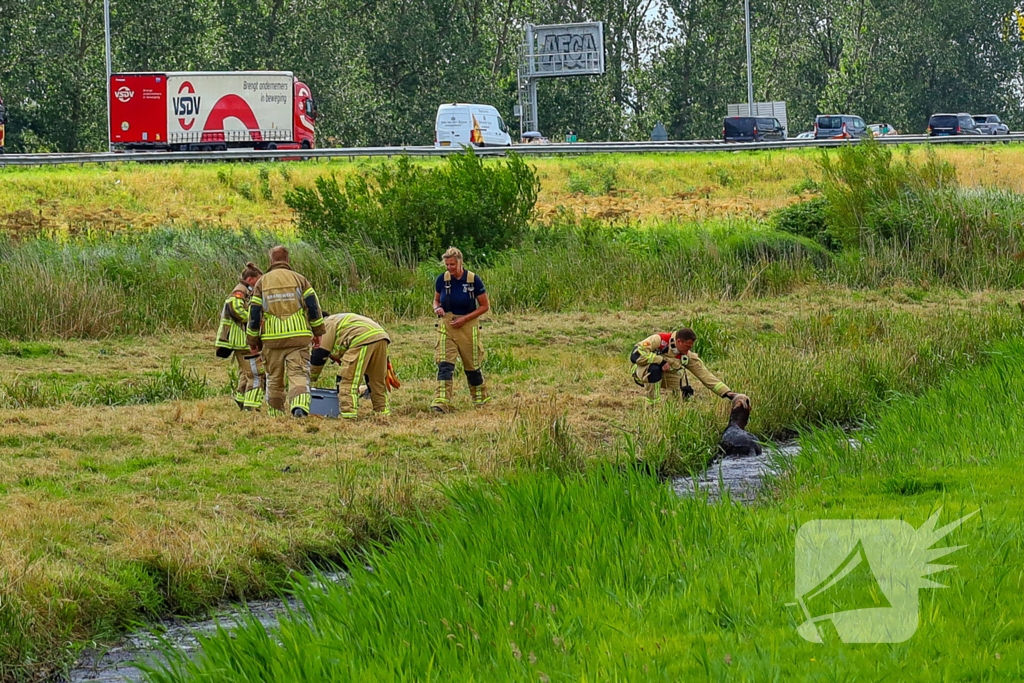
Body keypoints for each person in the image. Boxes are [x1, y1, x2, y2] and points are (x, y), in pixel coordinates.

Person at [246, 246, 325, 417]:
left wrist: (253, 341)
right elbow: (313, 307)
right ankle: (299, 407)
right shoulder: (300, 279)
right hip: (298, 336)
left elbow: (253, 314)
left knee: (274, 377)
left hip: (272, 339)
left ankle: (276, 414)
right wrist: (318, 332)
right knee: (298, 373)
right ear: (288, 261)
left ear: (271, 262)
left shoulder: (262, 282)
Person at [430, 247, 490, 412]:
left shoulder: (473, 280)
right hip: (447, 326)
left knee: (471, 366)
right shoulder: (442, 279)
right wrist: (437, 309)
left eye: (452, 265)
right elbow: (436, 301)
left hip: (467, 326)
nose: (449, 268)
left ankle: (480, 398)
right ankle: (441, 401)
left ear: (460, 263)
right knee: (444, 363)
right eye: (447, 265)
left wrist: (464, 319)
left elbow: (485, 306)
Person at [310, 313, 392, 418]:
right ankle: (382, 413)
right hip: (381, 337)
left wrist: (310, 377)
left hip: (361, 339)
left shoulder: (326, 324)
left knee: (347, 381)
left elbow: (320, 354)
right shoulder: (339, 320)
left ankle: (348, 416)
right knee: (376, 381)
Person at [630, 327, 738, 406]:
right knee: (654, 370)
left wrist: (727, 392)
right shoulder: (658, 340)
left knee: (686, 390)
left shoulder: (687, 355)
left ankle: (675, 410)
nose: (688, 350)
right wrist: (660, 361)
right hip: (642, 372)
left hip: (665, 375)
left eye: (690, 347)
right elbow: (635, 355)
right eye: (687, 346)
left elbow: (704, 374)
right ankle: (653, 408)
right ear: (678, 341)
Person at [215, 262, 265, 410]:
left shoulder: (246, 291)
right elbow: (235, 308)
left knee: (245, 371)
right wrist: (254, 320)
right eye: (258, 280)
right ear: (250, 279)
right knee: (256, 372)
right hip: (242, 341)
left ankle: (241, 398)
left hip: (240, 341)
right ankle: (252, 406)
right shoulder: (240, 291)